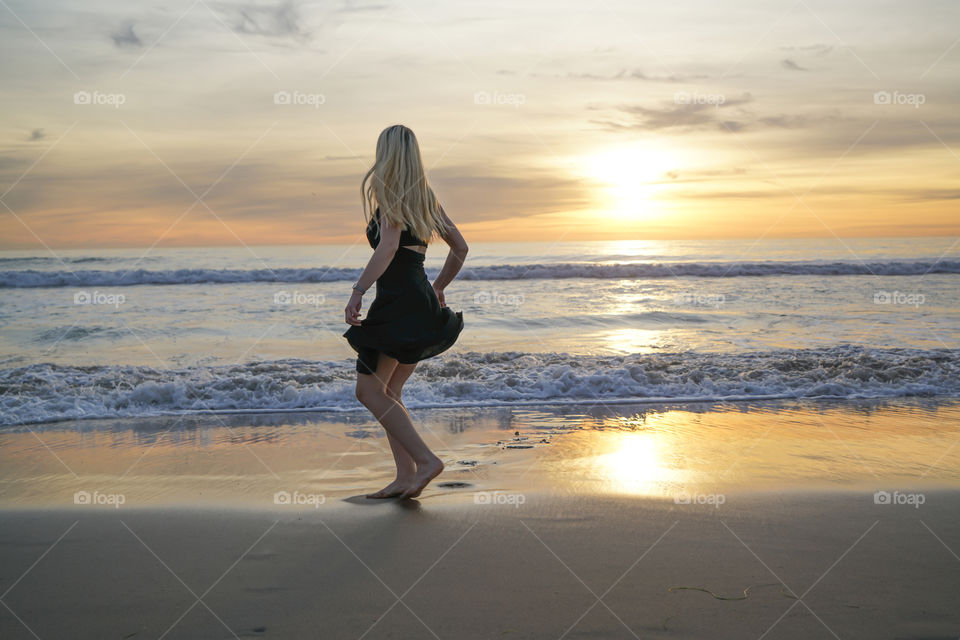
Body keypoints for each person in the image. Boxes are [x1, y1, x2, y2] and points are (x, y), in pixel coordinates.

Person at [343, 124, 468, 500]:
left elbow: (388, 247)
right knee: (390, 390)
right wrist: (438, 287)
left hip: (398, 301)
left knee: (369, 391)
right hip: (419, 300)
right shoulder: (425, 197)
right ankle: (405, 476)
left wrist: (358, 291)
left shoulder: (390, 193)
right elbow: (460, 247)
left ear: (387, 155)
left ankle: (427, 461)